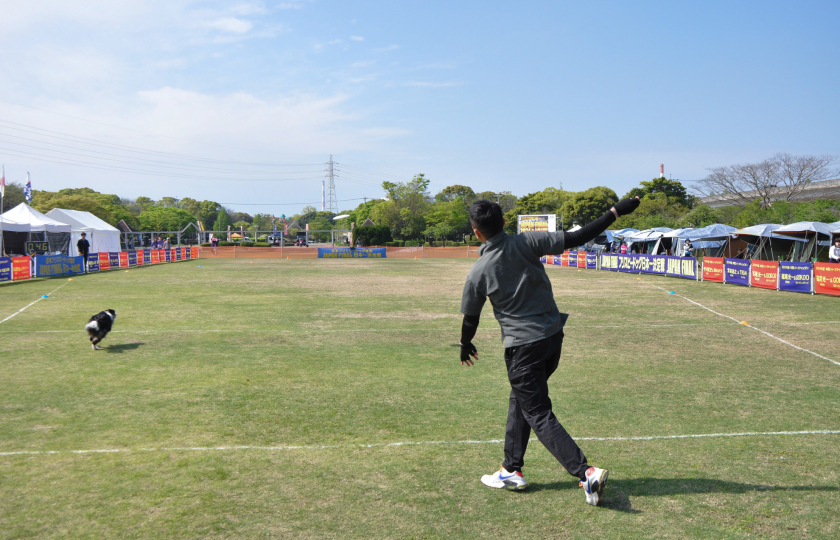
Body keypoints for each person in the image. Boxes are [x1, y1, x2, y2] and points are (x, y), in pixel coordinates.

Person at [458, 197, 640, 506]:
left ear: (476, 233)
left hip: (523, 349)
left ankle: (586, 473)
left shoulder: (478, 271)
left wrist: (465, 344)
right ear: (505, 222)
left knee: (537, 411)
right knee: (521, 400)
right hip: (552, 339)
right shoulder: (527, 241)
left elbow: (470, 319)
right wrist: (615, 211)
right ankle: (510, 469)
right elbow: (577, 237)